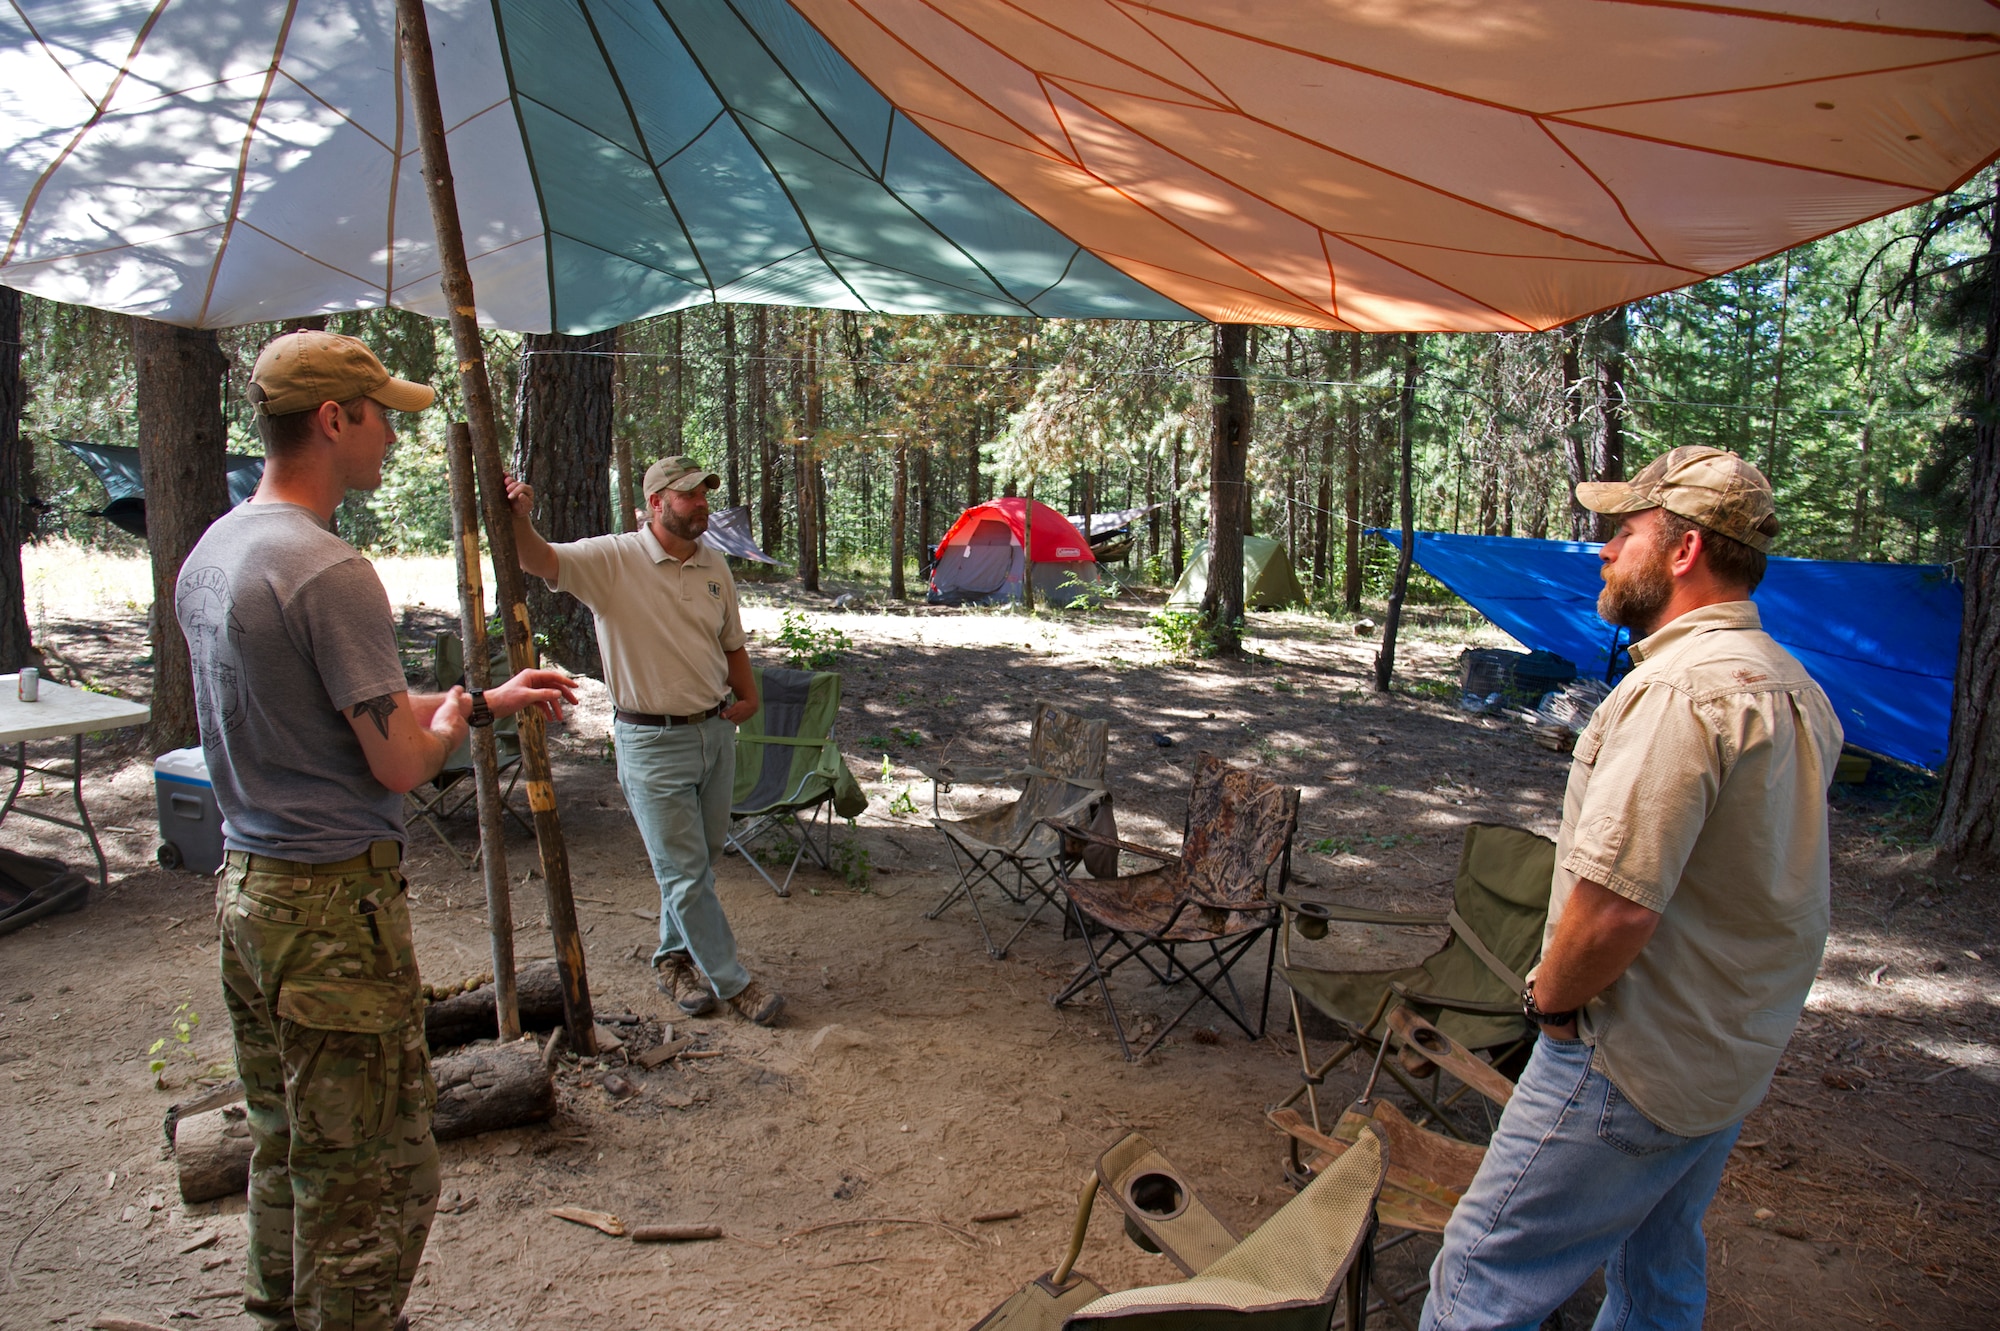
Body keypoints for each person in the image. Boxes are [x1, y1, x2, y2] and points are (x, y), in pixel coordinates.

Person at [178, 330, 577, 1331]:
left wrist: (476, 699)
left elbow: (327, 708)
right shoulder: (326, 568)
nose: (392, 440)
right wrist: (447, 726)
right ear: (332, 419)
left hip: (251, 887)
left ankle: (276, 1307)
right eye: (382, 416)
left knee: (283, 1132)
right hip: (329, 907)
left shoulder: (218, 550)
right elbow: (398, 757)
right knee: (378, 1171)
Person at [1420, 446, 1843, 1331]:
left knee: (1480, 1276)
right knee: (1657, 1266)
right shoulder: (1793, 686)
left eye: (1625, 530)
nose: (1604, 550)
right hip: (1726, 1050)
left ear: (1683, 550)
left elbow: (1615, 905)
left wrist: (1552, 1004)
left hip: (1629, 1056)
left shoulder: (1682, 694)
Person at [505, 456, 784, 1026]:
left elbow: (730, 643)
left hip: (713, 733)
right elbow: (536, 558)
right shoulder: (613, 559)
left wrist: (748, 697)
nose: (702, 504)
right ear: (655, 505)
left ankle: (671, 959)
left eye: (705, 493)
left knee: (696, 865)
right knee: (683, 872)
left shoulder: (714, 566)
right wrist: (517, 520)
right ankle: (736, 984)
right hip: (651, 742)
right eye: (688, 496)